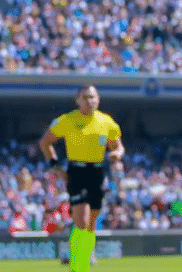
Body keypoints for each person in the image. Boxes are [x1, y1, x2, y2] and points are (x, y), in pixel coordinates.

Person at [39, 85, 124, 272]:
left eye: (92, 97)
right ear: (77, 100)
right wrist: (55, 166)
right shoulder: (67, 120)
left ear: (98, 99)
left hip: (97, 171)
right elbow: (45, 142)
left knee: (92, 221)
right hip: (77, 171)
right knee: (81, 220)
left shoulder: (106, 121)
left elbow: (117, 146)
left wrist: (117, 154)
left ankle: (84, 259)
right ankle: (77, 267)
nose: (89, 101)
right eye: (85, 97)